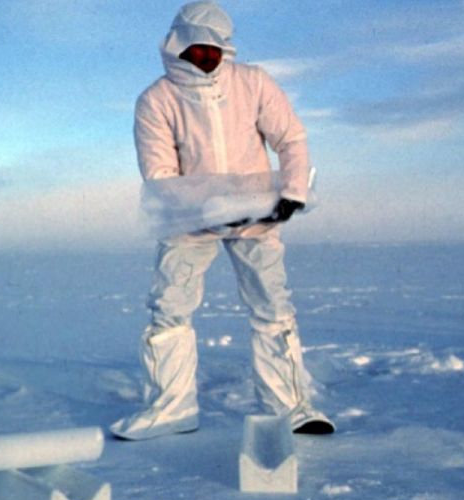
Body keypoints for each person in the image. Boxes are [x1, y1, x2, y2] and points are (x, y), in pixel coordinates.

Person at [110, 1, 335, 441]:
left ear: (225, 50)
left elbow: (290, 138)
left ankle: (290, 407)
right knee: (170, 307)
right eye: (197, 51)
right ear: (178, 47)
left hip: (257, 214)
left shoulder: (253, 83)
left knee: (271, 305)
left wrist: (291, 193)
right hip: (188, 223)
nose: (206, 60)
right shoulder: (156, 100)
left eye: (214, 52)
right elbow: (159, 174)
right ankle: (171, 408)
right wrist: (199, 212)